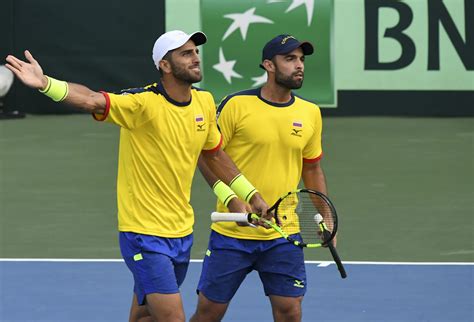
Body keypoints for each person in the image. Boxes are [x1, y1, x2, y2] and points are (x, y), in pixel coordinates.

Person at [5, 30, 269, 322]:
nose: (195, 58)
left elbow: (215, 155)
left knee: (144, 316)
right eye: (186, 53)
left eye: (195, 52)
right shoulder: (141, 104)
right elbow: (92, 100)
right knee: (172, 318)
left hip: (181, 232)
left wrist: (250, 195)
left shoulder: (204, 103)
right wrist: (45, 83)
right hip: (143, 233)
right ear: (165, 66)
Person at [190, 34, 333, 322]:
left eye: (301, 60)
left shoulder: (310, 113)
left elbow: (312, 170)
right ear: (269, 65)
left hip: (284, 233)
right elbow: (206, 155)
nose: (299, 66)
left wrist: (326, 218)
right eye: (290, 59)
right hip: (233, 233)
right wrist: (231, 199)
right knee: (209, 313)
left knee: (290, 311)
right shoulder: (235, 106)